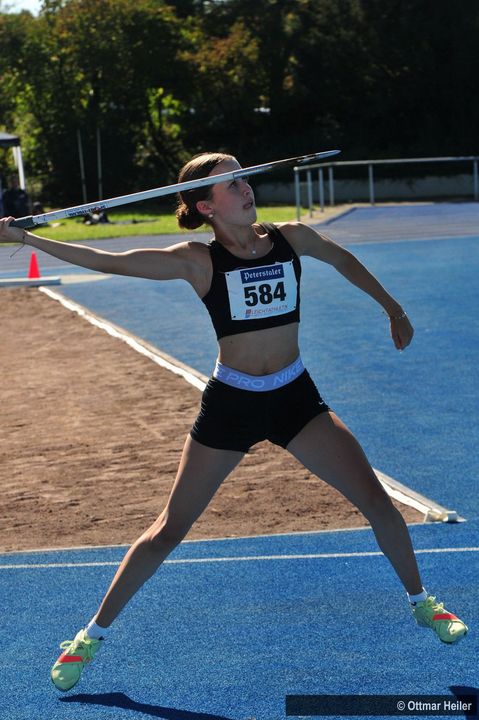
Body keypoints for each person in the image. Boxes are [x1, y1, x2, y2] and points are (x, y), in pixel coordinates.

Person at [0, 152, 468, 692]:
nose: (247, 188)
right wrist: (27, 239)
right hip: (232, 404)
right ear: (207, 207)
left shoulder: (291, 237)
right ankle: (89, 636)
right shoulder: (197, 261)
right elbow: (110, 261)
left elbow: (343, 259)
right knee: (168, 530)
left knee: (378, 504)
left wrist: (393, 308)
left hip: (295, 398)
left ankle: (422, 602)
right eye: (232, 184)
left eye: (245, 177)